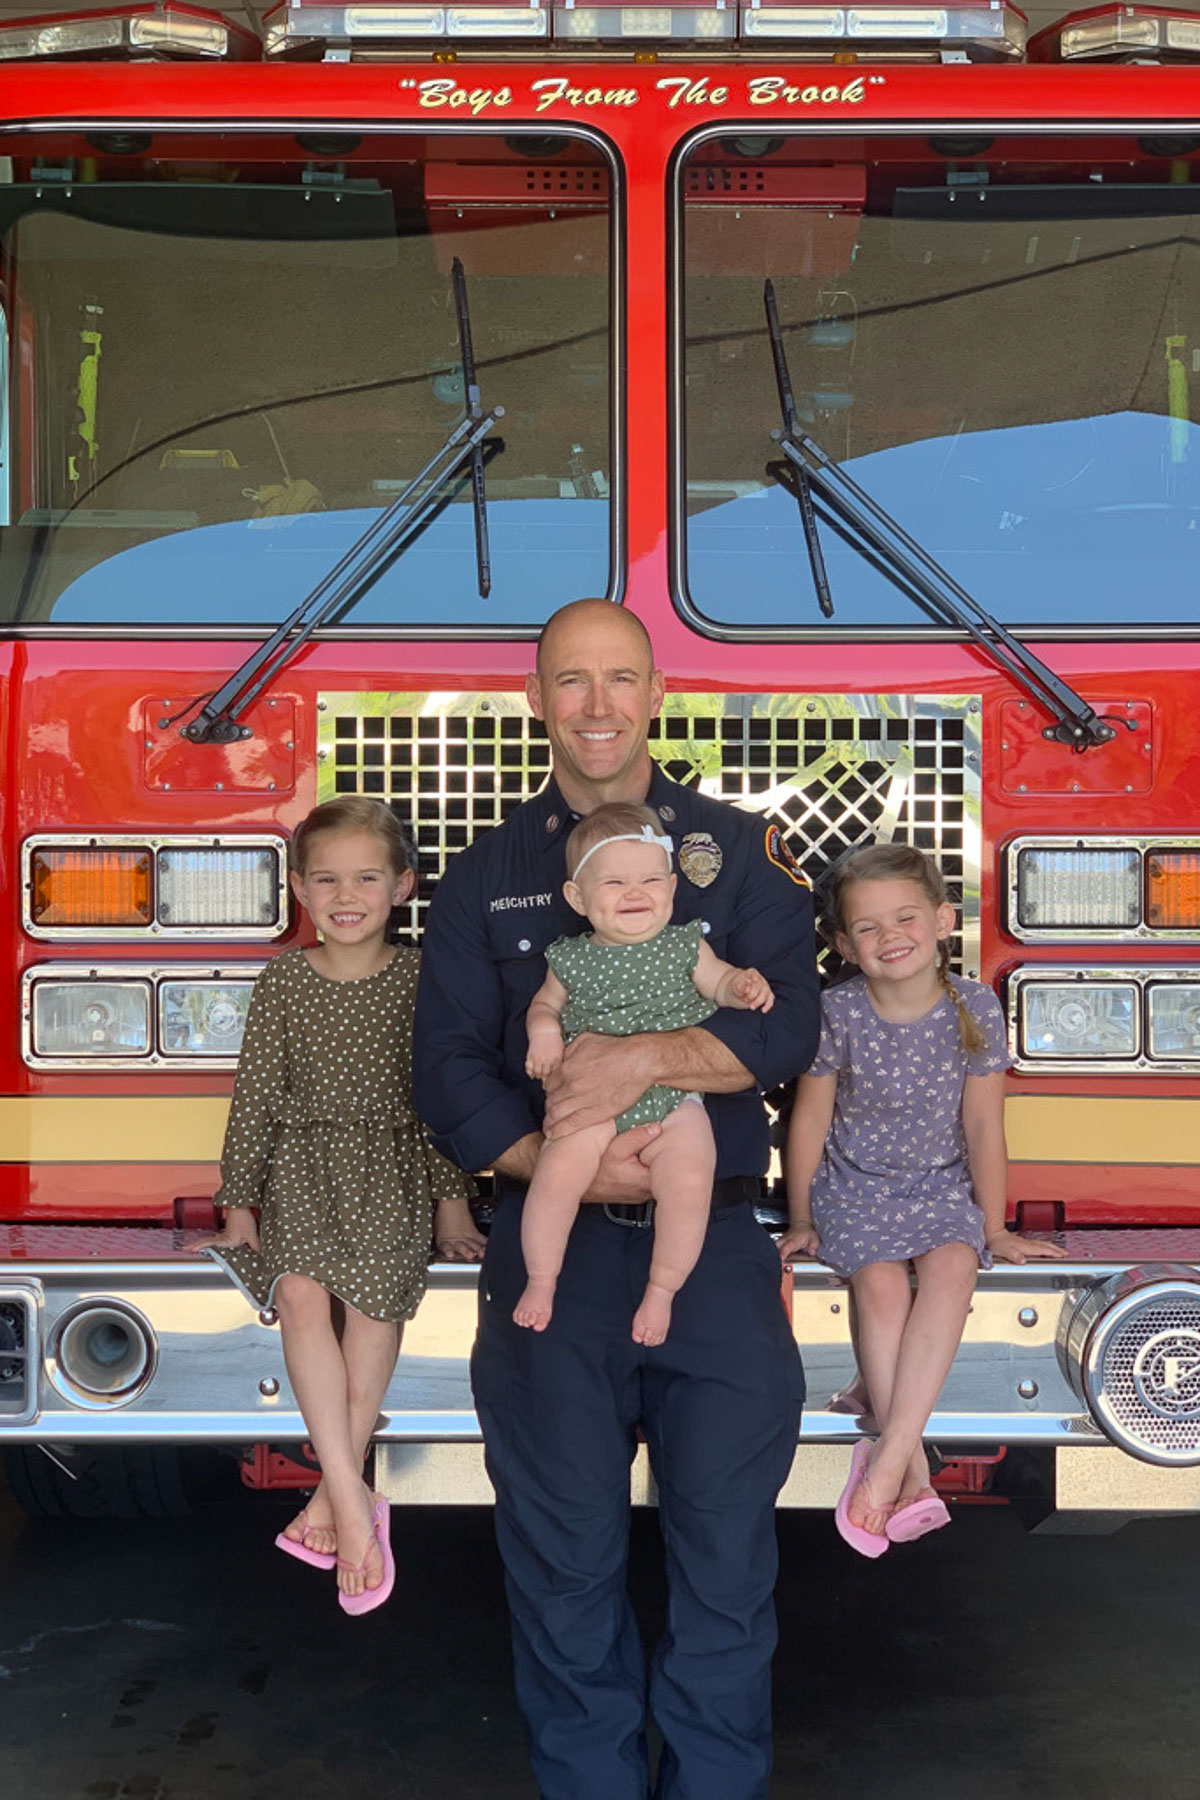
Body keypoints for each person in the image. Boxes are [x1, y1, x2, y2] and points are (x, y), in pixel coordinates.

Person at [413, 598, 817, 1800]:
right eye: (571, 681)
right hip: (558, 1270)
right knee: (564, 1570)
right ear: (537, 698)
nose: (597, 705)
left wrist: (645, 1062)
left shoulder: (735, 853)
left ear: (655, 694)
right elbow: (446, 1066)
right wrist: (564, 1161)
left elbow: (786, 1024)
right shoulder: (486, 873)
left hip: (720, 1263)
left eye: (620, 679)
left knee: (728, 1571)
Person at [199, 796, 483, 1613]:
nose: (345, 894)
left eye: (366, 877)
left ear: (404, 887)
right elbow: (255, 1097)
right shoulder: (284, 980)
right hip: (301, 1169)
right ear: (298, 889)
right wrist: (239, 1204)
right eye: (325, 879)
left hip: (391, 1171)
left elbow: (441, 1099)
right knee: (297, 1295)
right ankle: (356, 1505)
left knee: (372, 1313)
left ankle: (335, 1501)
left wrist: (452, 1208)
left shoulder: (425, 979)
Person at [778, 842, 1066, 1559]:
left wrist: (993, 1227)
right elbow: (808, 1121)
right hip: (856, 1188)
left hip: (940, 1187)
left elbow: (982, 1125)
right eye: (867, 928)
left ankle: (885, 1467)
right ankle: (906, 1474)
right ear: (843, 944)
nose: (889, 937)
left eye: (905, 917)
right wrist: (803, 1217)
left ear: (942, 919)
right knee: (879, 1288)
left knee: (952, 1269)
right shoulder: (837, 1011)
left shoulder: (974, 1005)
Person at [519, 801, 775, 1344]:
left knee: (688, 1178)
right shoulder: (570, 958)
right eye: (614, 882)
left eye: (650, 880)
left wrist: (743, 987)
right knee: (556, 1174)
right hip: (591, 1101)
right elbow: (544, 1007)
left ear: (673, 886)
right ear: (577, 898)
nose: (636, 893)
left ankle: (662, 1290)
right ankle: (542, 1280)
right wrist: (543, 1034)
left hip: (674, 1098)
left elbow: (720, 981)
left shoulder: (685, 944)